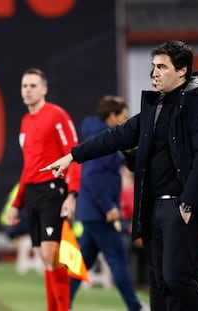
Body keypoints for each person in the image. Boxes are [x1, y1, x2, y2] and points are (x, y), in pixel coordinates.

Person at [42, 40, 198, 310]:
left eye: (162, 67)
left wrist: (187, 203)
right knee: (159, 283)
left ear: (182, 71)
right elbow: (115, 136)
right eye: (153, 66)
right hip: (154, 208)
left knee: (178, 278)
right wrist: (73, 156)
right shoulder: (156, 106)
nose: (154, 72)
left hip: (179, 206)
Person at [6, 68, 81, 311]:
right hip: (32, 194)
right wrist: (16, 203)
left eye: (33, 85)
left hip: (52, 191)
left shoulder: (56, 115)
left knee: (51, 256)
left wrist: (72, 193)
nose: (27, 90)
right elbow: (28, 166)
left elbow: (74, 154)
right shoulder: (26, 121)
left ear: (44, 89)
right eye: (24, 86)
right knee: (45, 259)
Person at [69, 95, 148, 311]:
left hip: (92, 211)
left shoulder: (98, 135)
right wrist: (109, 207)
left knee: (83, 261)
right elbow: (93, 177)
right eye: (123, 116)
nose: (125, 121)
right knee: (118, 260)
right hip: (100, 213)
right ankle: (135, 306)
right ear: (111, 116)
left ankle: (62, 303)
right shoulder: (102, 139)